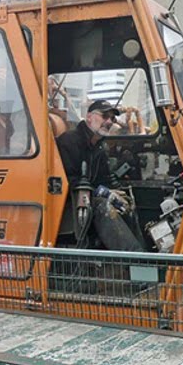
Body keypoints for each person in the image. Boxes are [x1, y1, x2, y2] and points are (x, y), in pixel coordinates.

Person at [55, 100, 144, 252]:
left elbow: (106, 179)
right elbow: (65, 181)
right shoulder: (68, 142)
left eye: (112, 118)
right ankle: (135, 259)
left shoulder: (99, 148)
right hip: (67, 204)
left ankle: (145, 253)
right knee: (103, 206)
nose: (109, 122)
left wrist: (118, 193)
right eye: (104, 116)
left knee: (126, 204)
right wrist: (99, 192)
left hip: (88, 199)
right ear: (89, 117)